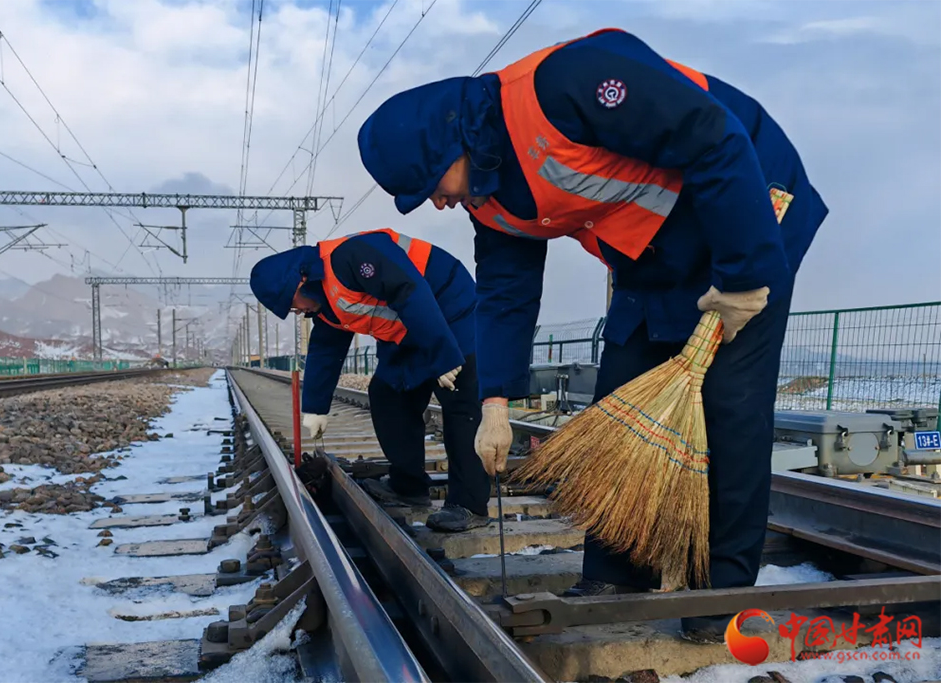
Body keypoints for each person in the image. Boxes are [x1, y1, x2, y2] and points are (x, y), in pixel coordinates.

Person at [355, 28, 828, 640]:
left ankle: (721, 597)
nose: (436, 204)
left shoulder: (566, 85)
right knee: (618, 404)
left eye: (430, 186)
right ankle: (616, 573)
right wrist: (494, 402)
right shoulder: (489, 197)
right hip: (652, 254)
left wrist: (742, 278)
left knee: (731, 409)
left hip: (750, 210)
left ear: (453, 143)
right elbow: (505, 293)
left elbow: (713, 136)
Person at [249, 228, 491, 532]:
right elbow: (326, 349)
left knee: (460, 402)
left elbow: (408, 289)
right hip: (407, 329)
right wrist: (315, 408)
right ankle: (408, 486)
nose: (296, 311)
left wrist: (442, 355)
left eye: (292, 304)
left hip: (451, 312)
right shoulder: (327, 301)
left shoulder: (353, 256)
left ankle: (469, 505)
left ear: (298, 281)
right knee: (387, 393)